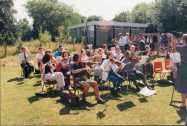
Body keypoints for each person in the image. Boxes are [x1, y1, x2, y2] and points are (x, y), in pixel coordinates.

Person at [175, 33, 187, 108]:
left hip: (183, 69)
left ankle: (183, 104)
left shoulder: (182, 48)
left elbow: (174, 47)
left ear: (183, 39)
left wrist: (173, 39)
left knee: (183, 87)